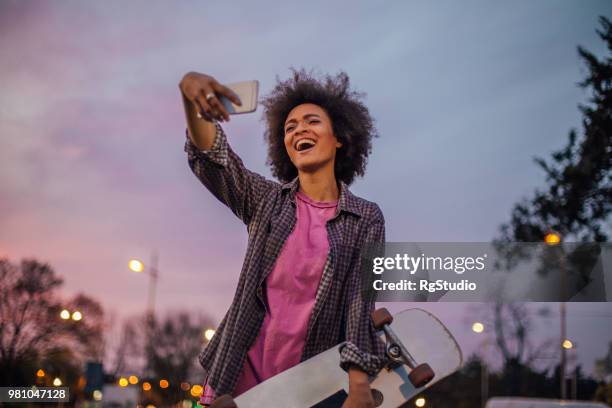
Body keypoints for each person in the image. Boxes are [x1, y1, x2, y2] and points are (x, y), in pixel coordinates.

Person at [179, 69, 387, 408]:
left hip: (313, 388)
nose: (299, 130)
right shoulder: (267, 201)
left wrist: (359, 384)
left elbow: (358, 303)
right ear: (284, 146)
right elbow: (213, 157)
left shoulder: (366, 218)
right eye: (290, 127)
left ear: (340, 138)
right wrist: (189, 93)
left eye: (312, 122)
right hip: (238, 386)